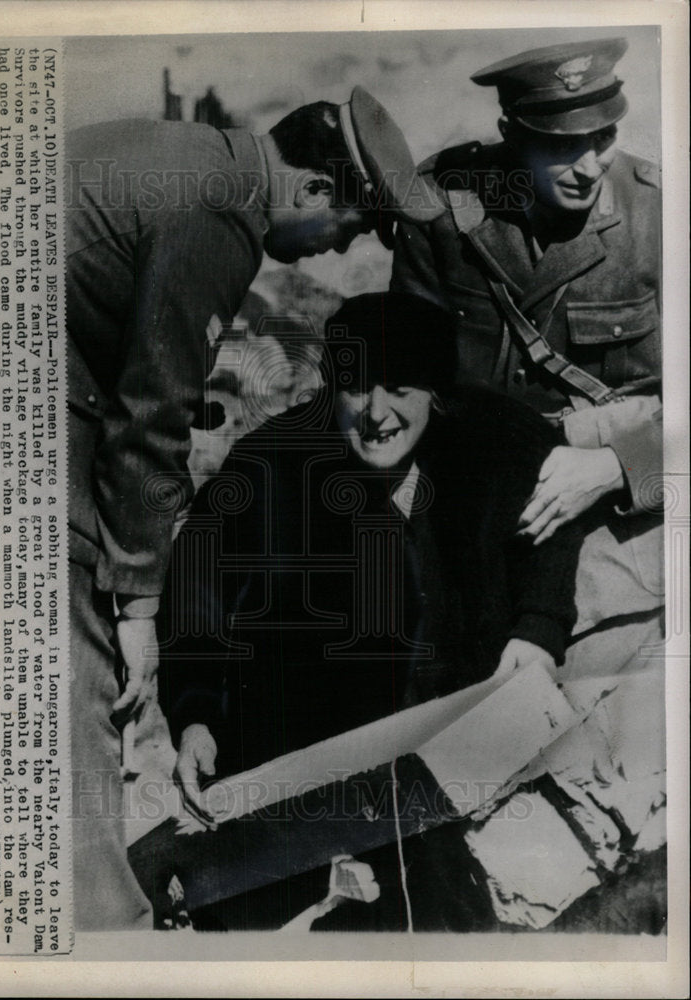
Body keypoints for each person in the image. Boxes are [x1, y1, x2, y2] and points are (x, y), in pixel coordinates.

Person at [65, 88, 444, 929]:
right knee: (78, 706)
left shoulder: (171, 152)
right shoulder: (217, 212)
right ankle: (100, 941)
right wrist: (136, 606)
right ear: (313, 189)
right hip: (29, 435)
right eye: (346, 227)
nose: (329, 252)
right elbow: (155, 410)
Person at [157, 293, 583, 928]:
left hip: (461, 761)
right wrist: (194, 719)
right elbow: (197, 589)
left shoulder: (501, 444)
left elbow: (552, 534)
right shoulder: (270, 464)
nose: (376, 415)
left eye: (400, 389)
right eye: (357, 390)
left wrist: (539, 630)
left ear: (436, 392)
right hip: (304, 768)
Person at [390, 37, 664, 682]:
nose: (589, 166)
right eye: (561, 145)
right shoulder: (443, 210)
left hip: (619, 527)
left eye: (603, 140)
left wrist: (615, 466)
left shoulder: (659, 216)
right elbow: (407, 374)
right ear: (511, 134)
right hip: (474, 516)